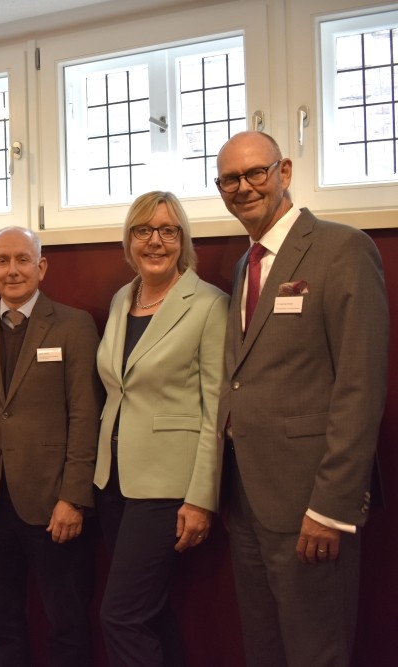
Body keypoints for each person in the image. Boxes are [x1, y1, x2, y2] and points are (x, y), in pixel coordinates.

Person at [214, 131, 388, 666]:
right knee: (264, 647)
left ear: (284, 171)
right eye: (229, 180)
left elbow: (360, 387)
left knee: (318, 650)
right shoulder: (247, 264)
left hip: (310, 502)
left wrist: (331, 509)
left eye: (255, 173)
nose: (243, 188)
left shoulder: (342, 248)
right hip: (245, 500)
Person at [0, 226, 102, 667]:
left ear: (41, 266)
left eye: (22, 259)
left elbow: (85, 416)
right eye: (2, 261)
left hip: (53, 503)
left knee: (67, 621)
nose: (12, 270)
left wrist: (73, 497)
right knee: (1, 619)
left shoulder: (75, 325)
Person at [93, 192, 228, 666]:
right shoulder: (121, 299)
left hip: (168, 487)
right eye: (143, 231)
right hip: (112, 482)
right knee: (150, 612)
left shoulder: (209, 304)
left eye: (168, 231)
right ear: (129, 240)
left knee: (122, 615)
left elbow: (217, 409)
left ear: (183, 240)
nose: (155, 241)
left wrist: (201, 497)